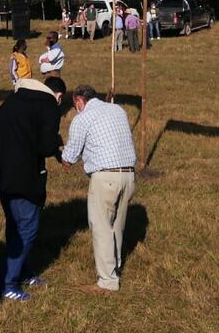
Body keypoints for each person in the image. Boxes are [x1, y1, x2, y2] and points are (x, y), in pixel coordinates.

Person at [0, 76, 66, 302]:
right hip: (25, 176)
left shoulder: (17, 97)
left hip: (1, 174)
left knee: (14, 224)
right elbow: (47, 147)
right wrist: (56, 141)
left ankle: (23, 271)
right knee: (28, 226)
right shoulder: (50, 106)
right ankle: (8, 283)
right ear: (58, 96)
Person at [61, 84, 137, 293]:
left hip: (105, 177)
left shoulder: (82, 118)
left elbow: (70, 157)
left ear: (79, 101)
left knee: (102, 227)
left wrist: (61, 155)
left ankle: (107, 281)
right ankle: (115, 267)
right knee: (117, 226)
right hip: (129, 175)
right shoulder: (118, 109)